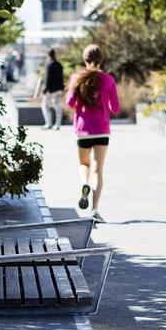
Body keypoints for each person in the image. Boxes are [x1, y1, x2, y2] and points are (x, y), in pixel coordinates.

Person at [65, 44, 120, 222]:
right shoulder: (109, 80)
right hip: (102, 130)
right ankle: (95, 210)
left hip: (83, 130)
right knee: (98, 169)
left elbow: (70, 103)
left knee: (84, 164)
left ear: (84, 59)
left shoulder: (77, 78)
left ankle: (84, 184)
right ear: (101, 59)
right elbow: (116, 108)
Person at [41, 49, 65, 130]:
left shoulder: (49, 64)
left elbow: (48, 78)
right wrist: (62, 88)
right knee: (58, 106)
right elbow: (62, 77)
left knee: (45, 105)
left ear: (48, 55)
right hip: (59, 89)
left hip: (51, 89)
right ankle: (57, 124)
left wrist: (46, 89)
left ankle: (48, 123)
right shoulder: (59, 64)